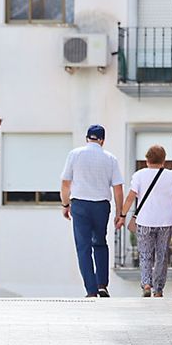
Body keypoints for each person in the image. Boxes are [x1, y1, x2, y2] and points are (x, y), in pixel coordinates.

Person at [60, 125, 125, 298]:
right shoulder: (110, 158)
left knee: (83, 247)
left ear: (87, 138)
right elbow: (118, 188)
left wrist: (65, 204)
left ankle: (91, 290)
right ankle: (102, 284)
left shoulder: (75, 154)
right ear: (102, 140)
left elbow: (66, 183)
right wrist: (120, 213)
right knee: (100, 243)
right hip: (101, 205)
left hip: (80, 204)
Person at [121, 144, 172, 297]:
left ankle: (147, 284)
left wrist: (122, 215)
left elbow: (130, 197)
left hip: (145, 220)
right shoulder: (170, 175)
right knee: (162, 255)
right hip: (165, 221)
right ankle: (158, 290)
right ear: (164, 160)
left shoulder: (139, 175)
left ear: (147, 159)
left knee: (145, 254)